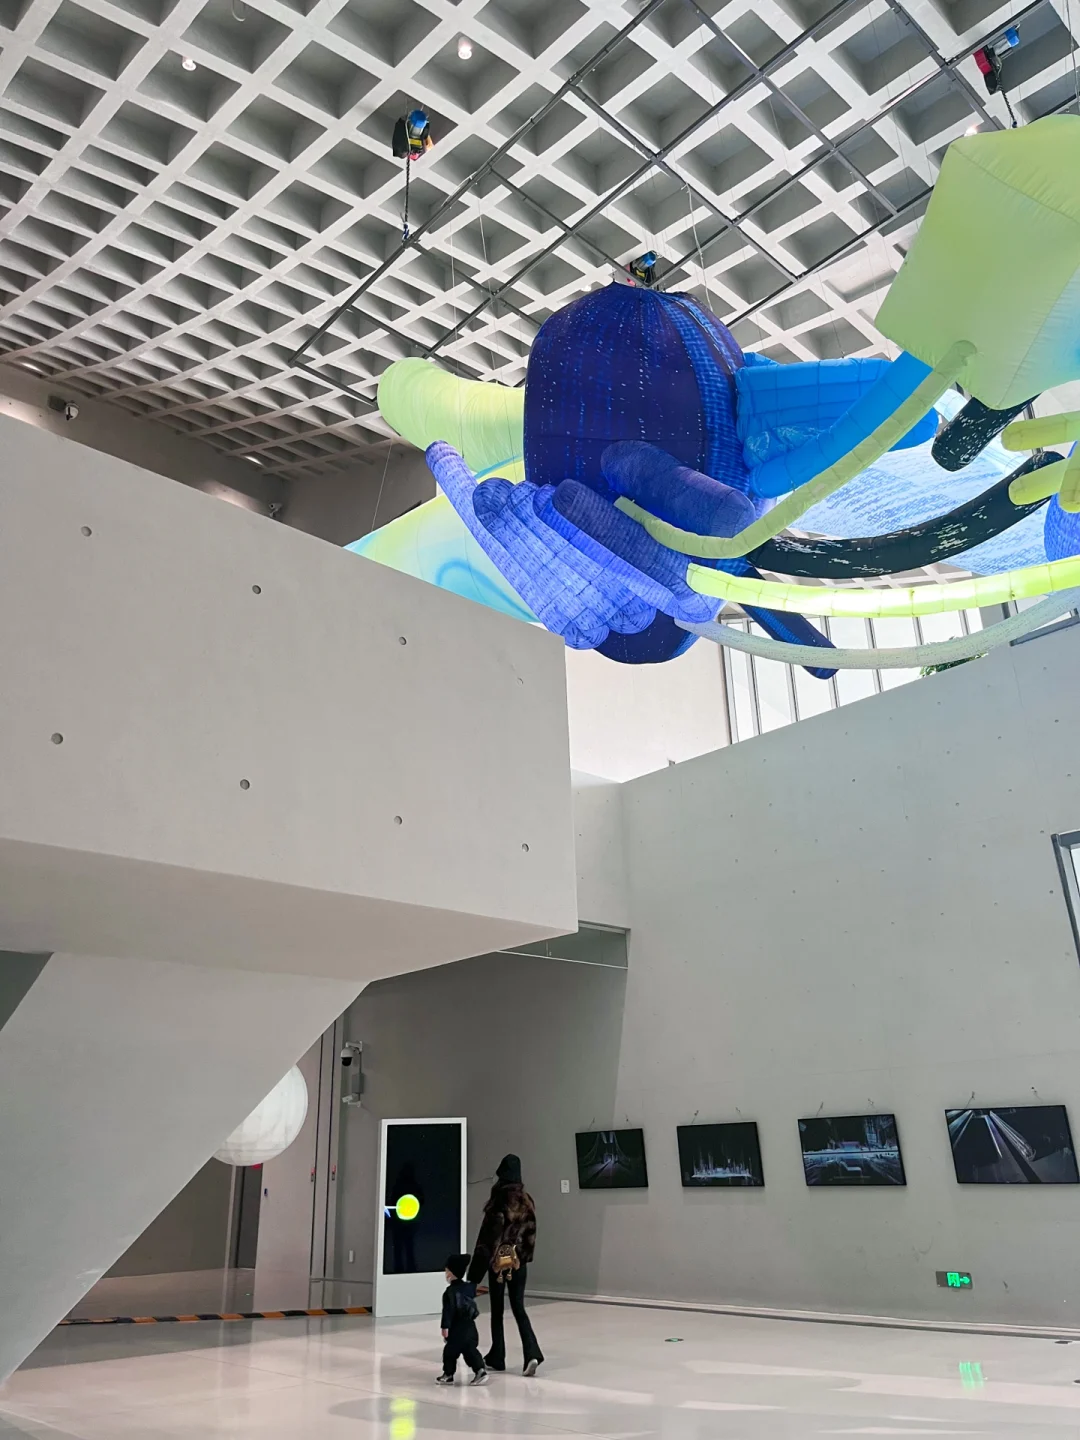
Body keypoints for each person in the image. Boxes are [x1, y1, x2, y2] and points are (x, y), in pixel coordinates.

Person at [467, 1154, 544, 1376]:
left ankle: (498, 1355)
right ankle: (532, 1353)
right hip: (518, 1264)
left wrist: (473, 1277)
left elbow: (486, 1242)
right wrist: (522, 1259)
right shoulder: (527, 1202)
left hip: (498, 1265)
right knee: (519, 1308)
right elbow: (530, 1236)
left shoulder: (498, 1203)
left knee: (497, 1310)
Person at [436, 1253, 488, 1386]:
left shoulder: (449, 1292)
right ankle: (480, 1370)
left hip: (456, 1330)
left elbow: (448, 1312)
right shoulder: (469, 1287)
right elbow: (481, 1290)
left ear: (450, 1273)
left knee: (449, 1353)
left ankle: (448, 1374)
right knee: (470, 1351)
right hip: (470, 1328)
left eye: (446, 1271)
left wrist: (445, 1327)